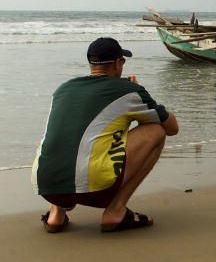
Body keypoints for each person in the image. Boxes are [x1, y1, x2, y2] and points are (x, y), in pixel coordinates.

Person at [32, 37, 179, 233]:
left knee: (67, 135)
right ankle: (115, 211)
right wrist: (141, 94)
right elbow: (172, 128)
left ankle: (55, 215)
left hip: (47, 187)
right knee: (156, 131)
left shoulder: (63, 89)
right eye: (123, 61)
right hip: (95, 191)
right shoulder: (128, 90)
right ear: (118, 63)